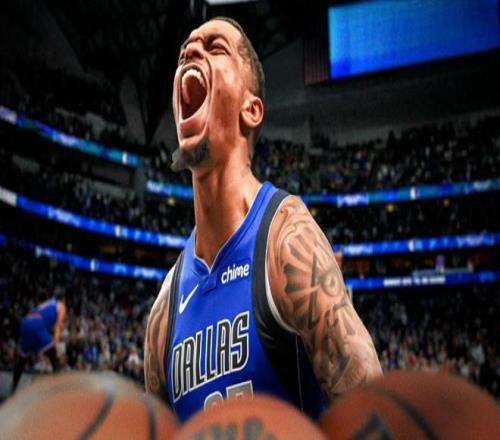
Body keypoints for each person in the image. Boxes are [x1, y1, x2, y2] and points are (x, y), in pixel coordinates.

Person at [144, 16, 382, 422]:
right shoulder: (164, 311)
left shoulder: (286, 239)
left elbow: (372, 412)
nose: (190, 51)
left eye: (215, 48)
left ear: (251, 110)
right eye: (185, 50)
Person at [11, 290, 66, 393]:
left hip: (25, 323)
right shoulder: (61, 306)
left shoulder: (46, 303)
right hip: (37, 324)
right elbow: (58, 326)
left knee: (21, 361)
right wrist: (55, 345)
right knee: (54, 358)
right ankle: (58, 392)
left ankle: (12, 390)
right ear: (63, 299)